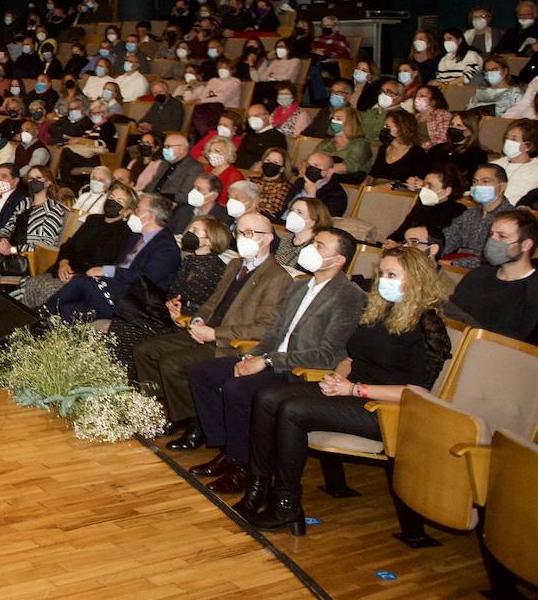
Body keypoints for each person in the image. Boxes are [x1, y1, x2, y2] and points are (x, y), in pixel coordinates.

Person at [237, 248, 451, 533]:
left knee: (291, 410)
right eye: (380, 274)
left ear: (417, 280)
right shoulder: (378, 311)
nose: (381, 281)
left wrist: (354, 389)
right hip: (351, 391)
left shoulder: (427, 325)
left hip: (383, 408)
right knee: (267, 397)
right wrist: (336, 379)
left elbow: (415, 391)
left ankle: (286, 503)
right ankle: (258, 486)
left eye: (391, 275)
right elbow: (351, 358)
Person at [188, 228, 364, 493]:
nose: (311, 249)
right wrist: (254, 355)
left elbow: (328, 354)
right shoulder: (301, 285)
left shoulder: (348, 295)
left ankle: (242, 466)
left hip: (298, 368)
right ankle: (230, 450)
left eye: (320, 245)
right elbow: (275, 332)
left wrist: (267, 361)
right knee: (203, 373)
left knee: (237, 388)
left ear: (339, 259)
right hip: (271, 358)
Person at [135, 211, 293, 450]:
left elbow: (265, 327)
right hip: (207, 332)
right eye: (240, 232)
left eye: (251, 233)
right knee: (145, 350)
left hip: (229, 344)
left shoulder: (277, 277)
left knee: (172, 363)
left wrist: (215, 334)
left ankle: (197, 426)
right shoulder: (235, 264)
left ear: (268, 238)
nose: (243, 237)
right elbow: (213, 301)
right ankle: (175, 414)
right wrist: (198, 320)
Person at [109, 217, 235, 378]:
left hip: (187, 323)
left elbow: (204, 305)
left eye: (196, 232)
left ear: (209, 241)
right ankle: (117, 374)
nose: (189, 234)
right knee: (123, 317)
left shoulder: (214, 270)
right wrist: (170, 303)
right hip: (171, 315)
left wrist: (179, 311)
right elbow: (174, 293)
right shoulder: (190, 260)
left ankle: (128, 380)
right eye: (190, 229)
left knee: (129, 328)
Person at [43, 193, 181, 321]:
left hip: (133, 301)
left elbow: (144, 279)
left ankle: (39, 313)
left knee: (80, 281)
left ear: (149, 216)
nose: (134, 212)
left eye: (138, 209)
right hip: (111, 289)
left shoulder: (166, 247)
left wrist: (106, 271)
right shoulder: (136, 236)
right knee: (69, 311)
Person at [15, 183, 138, 309]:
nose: (112, 202)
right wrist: (63, 263)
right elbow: (69, 245)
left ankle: (41, 325)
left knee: (47, 290)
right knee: (33, 283)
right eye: (111, 197)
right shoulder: (93, 220)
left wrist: (81, 278)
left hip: (87, 280)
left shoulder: (126, 235)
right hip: (66, 269)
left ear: (127, 211)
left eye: (119, 201)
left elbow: (111, 266)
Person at [0, 166, 68, 289]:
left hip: (26, 258)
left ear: (48, 182)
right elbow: (8, 227)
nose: (33, 181)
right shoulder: (25, 203)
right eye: (30, 178)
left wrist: (12, 249)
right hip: (10, 249)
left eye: (38, 178)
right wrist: (4, 240)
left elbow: (43, 245)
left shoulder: (53, 209)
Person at [446, 210, 538, 342]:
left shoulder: (533, 290)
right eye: (491, 235)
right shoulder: (478, 275)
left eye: (502, 236)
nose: (492, 241)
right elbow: (452, 320)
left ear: (526, 245)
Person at [384, 166, 467, 243]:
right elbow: (402, 230)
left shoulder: (458, 212)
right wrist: (391, 241)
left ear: (447, 191)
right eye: (424, 185)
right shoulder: (423, 205)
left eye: (429, 186)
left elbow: (444, 242)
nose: (424, 189)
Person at [365, 111, 428, 186]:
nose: (383, 129)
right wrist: (366, 180)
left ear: (401, 129)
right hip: (378, 192)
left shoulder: (417, 153)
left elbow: (417, 183)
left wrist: (388, 184)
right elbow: (373, 174)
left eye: (387, 126)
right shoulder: (383, 149)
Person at [313, 106, 372, 183]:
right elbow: (312, 159)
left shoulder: (361, 144)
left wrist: (320, 169)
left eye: (339, 119)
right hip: (322, 178)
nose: (334, 121)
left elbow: (350, 166)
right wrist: (304, 165)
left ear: (351, 122)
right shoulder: (326, 142)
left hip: (346, 182)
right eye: (333, 118)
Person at [282, 151, 349, 218]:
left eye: (316, 166)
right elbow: (285, 207)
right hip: (282, 222)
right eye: (308, 165)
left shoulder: (337, 194)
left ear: (329, 172)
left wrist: (312, 196)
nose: (310, 169)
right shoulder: (300, 182)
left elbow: (324, 221)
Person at [145, 133, 204, 204]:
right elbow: (152, 184)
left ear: (181, 149)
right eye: (164, 146)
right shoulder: (164, 163)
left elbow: (184, 196)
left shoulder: (194, 167)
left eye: (168, 146)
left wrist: (155, 199)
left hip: (168, 204)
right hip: (151, 199)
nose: (164, 149)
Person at [275, 197, 333, 268]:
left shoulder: (315, 247)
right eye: (292, 210)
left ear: (313, 221)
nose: (292, 215)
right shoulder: (286, 237)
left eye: (300, 212)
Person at [491, 119, 538, 204]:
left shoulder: (535, 171)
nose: (508, 142)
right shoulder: (495, 164)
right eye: (507, 138)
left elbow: (518, 201)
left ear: (529, 146)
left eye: (513, 139)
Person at [234, 104, 282, 170]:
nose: (252, 119)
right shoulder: (248, 136)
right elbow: (238, 154)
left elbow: (274, 160)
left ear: (267, 115)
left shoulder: (276, 136)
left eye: (256, 116)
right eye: (250, 117)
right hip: (238, 168)